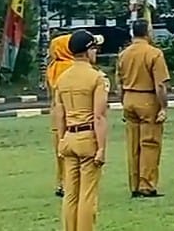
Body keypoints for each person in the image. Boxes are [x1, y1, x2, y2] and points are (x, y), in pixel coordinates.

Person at [53, 29, 108, 231]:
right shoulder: (96, 78)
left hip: (69, 137)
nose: (96, 52)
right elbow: (99, 116)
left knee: (70, 195)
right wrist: (101, 148)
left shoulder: (62, 78)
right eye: (94, 48)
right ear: (87, 51)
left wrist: (61, 140)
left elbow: (59, 114)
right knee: (87, 195)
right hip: (87, 137)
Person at [116, 19, 170, 198]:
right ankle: (146, 185)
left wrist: (123, 102)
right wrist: (163, 107)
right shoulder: (154, 53)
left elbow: (119, 84)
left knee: (133, 145)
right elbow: (160, 85)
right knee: (149, 143)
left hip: (129, 98)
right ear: (147, 32)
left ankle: (134, 184)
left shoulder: (123, 54)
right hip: (147, 98)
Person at [47, 34, 75, 198]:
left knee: (60, 151)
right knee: (72, 152)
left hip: (55, 114)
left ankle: (61, 182)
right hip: (70, 113)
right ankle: (69, 183)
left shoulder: (52, 67)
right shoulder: (70, 67)